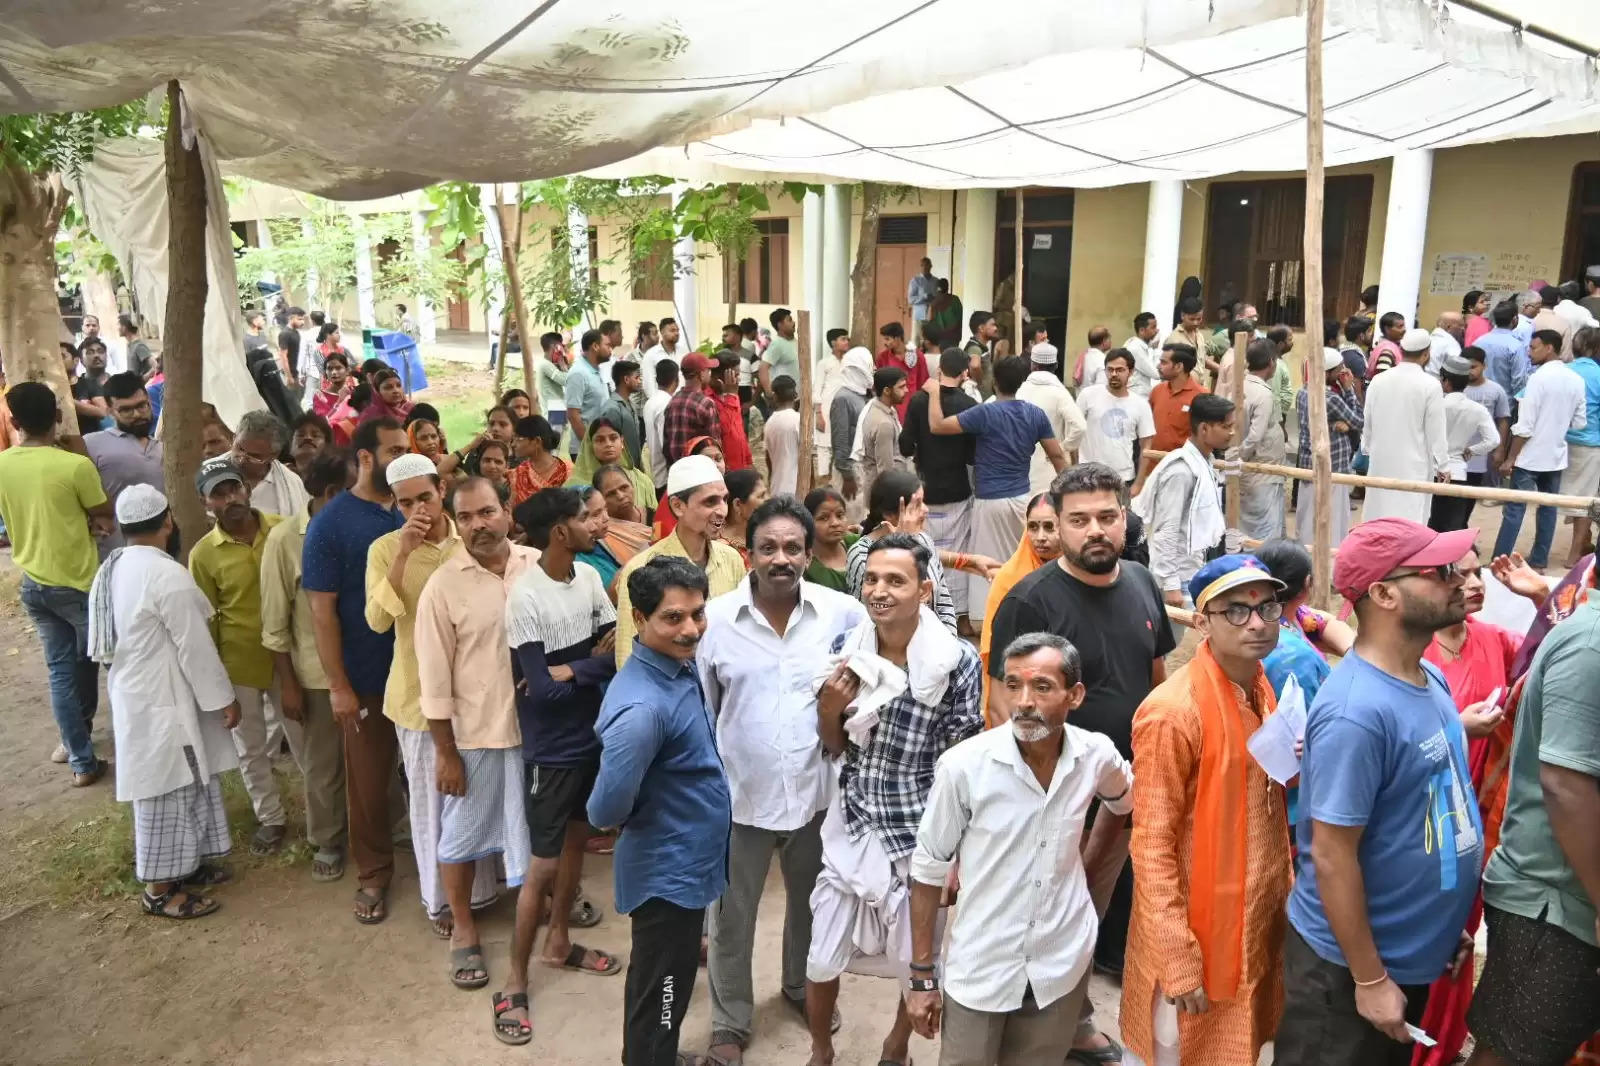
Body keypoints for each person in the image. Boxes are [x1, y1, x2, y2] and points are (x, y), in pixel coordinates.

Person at [1275, 517, 1485, 1066]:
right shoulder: (1356, 714)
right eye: (1440, 571)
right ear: (1385, 593)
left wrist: (1437, 928)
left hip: (1405, 953)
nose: (1459, 578)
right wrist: (1369, 979)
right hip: (1350, 972)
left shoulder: (1428, 678)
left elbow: (1427, 807)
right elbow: (1332, 853)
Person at [983, 463, 1174, 1059]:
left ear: (1124, 518)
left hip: (1129, 787)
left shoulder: (1142, 582)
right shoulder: (1030, 601)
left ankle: (1075, 1018)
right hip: (1059, 793)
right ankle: (1045, 1025)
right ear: (1059, 527)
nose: (1096, 530)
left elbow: (1156, 677)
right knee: (1049, 912)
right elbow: (1002, 706)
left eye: (1107, 517)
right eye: (1079, 519)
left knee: (1100, 905)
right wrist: (1042, 787)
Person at [904, 632, 1133, 1066]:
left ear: (1075, 695)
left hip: (1060, 961)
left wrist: (1086, 867)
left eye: (1042, 687)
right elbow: (928, 869)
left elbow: (1123, 800)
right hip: (983, 964)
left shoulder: (1094, 755)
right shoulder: (965, 767)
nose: (1024, 701)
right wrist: (921, 977)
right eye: (1013, 685)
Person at [697, 497, 867, 1065]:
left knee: (811, 906)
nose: (781, 558)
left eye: (793, 547)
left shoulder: (841, 614)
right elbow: (707, 707)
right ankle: (729, 1022)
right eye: (768, 547)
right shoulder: (716, 621)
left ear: (808, 551)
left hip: (816, 791)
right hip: (739, 797)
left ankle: (800, 988)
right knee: (731, 917)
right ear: (749, 553)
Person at [803, 533, 984, 1066]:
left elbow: (961, 763)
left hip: (920, 831)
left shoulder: (955, 662)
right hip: (855, 820)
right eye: (872, 580)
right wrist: (828, 710)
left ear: (925, 591)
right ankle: (820, 1053)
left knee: (916, 964)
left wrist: (953, 856)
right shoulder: (849, 654)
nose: (879, 591)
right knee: (820, 959)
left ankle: (894, 1047)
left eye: (895, 581)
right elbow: (835, 749)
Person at [1120, 555, 1293, 1066]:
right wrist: (1177, 958)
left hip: (1253, 930)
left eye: (1267, 608)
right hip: (1194, 941)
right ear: (1202, 622)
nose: (1257, 624)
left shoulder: (1258, 685)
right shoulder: (1172, 713)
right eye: (1236, 611)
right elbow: (1150, 844)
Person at [586, 557, 731, 1066]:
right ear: (641, 619)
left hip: (685, 864)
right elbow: (605, 807)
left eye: (697, 613)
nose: (690, 629)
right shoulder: (644, 709)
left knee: (661, 985)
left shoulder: (674, 668)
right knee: (664, 992)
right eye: (673, 618)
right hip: (666, 872)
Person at [1463, 567, 1600, 1066]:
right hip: (1556, 906)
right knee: (1516, 1054)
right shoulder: (1590, 646)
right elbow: (1567, 786)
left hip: (1573, 901)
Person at [88, 485, 242, 918]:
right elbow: (194, 646)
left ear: (121, 528)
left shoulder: (116, 565)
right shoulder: (165, 574)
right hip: (158, 699)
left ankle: (186, 868)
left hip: (144, 693)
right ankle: (159, 891)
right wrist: (224, 699)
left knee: (189, 782)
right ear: (168, 522)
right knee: (164, 791)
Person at [364, 452, 499, 933]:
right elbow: (378, 621)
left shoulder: (472, 538)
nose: (418, 509)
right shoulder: (384, 550)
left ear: (442, 491)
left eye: (425, 496)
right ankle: (442, 903)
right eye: (405, 503)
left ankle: (483, 893)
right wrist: (403, 552)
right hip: (418, 699)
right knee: (432, 801)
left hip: (478, 695)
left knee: (477, 795)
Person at [415, 476, 538, 998]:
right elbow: (434, 678)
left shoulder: (538, 566)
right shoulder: (443, 586)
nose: (477, 525)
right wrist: (445, 752)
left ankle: (548, 904)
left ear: (507, 511)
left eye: (486, 512)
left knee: (544, 825)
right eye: (464, 517)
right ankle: (462, 925)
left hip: (540, 732)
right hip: (477, 734)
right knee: (462, 834)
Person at [502, 487, 622, 1013]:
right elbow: (541, 694)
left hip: (588, 737)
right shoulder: (525, 597)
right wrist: (582, 668)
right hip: (550, 750)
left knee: (575, 846)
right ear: (558, 532)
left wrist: (572, 667)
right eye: (583, 518)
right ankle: (513, 984)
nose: (595, 524)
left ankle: (558, 943)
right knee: (544, 867)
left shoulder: (591, 578)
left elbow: (616, 652)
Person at [302, 417, 412, 924]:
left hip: (422, 675)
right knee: (368, 784)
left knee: (434, 776)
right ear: (365, 458)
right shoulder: (331, 524)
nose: (403, 458)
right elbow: (321, 613)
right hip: (366, 678)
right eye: (393, 451)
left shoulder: (419, 512)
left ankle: (449, 869)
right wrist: (339, 686)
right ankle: (373, 872)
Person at [0, 382, 114, 782]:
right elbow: (104, 516)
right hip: (80, 584)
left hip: (33, 583)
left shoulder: (3, 465)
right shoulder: (74, 465)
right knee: (115, 663)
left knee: (64, 671)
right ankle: (125, 746)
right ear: (60, 416)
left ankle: (79, 756)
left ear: (13, 421)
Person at [187, 456, 296, 854]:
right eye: (219, 494)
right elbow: (207, 621)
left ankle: (329, 815)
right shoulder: (203, 555)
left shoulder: (282, 531)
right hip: (240, 664)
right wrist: (218, 687)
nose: (231, 498)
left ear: (247, 489)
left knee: (305, 740)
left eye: (234, 488)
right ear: (205, 503)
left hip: (290, 658)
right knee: (251, 749)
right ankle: (271, 818)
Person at [260, 449, 351, 883]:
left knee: (377, 756)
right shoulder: (284, 541)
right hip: (315, 675)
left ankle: (390, 825)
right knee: (323, 764)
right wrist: (289, 686)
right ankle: (328, 840)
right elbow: (275, 625)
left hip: (366, 666)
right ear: (333, 493)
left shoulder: (361, 529)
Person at [923, 355, 1065, 627]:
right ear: (1023, 382)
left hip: (989, 502)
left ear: (994, 382)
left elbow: (937, 426)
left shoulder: (985, 412)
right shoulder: (1035, 414)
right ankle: (1026, 617)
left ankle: (987, 621)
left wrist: (933, 393)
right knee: (1021, 560)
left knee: (986, 566)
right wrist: (1069, 496)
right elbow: (1058, 456)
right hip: (1022, 500)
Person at [614, 454, 744, 666]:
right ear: (678, 506)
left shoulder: (732, 559)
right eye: (710, 501)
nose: (722, 510)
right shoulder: (641, 568)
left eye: (725, 500)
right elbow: (627, 657)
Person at [1493, 329, 1587, 570]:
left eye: (1534, 348)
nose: (1529, 352)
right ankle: (1539, 560)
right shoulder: (1575, 379)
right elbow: (1579, 423)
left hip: (1529, 457)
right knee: (1548, 510)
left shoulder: (1538, 379)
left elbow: (1525, 426)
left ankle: (1499, 559)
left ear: (1549, 348)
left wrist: (1510, 458)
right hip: (1556, 456)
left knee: (1514, 509)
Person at [1135, 393, 1234, 617]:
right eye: (1225, 426)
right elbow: (1166, 528)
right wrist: (1170, 584)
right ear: (1204, 429)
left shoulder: (1204, 462)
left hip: (1191, 566)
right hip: (1176, 573)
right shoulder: (1181, 471)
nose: (1231, 432)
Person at [899, 347, 978, 626]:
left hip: (925, 491)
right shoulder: (969, 404)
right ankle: (959, 616)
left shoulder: (919, 401)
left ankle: (927, 613)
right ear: (965, 373)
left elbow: (905, 445)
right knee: (957, 554)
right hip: (957, 489)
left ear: (939, 370)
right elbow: (972, 454)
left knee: (926, 551)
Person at [976, 493, 1060, 712]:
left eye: (1050, 527)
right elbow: (996, 650)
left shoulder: (1077, 573)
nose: (1040, 537)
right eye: (1033, 527)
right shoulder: (1009, 578)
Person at [1361, 328, 1450, 524]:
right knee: (1409, 516)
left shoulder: (1378, 380)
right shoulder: (1430, 385)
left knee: (1379, 513)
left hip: (1381, 460)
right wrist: (1443, 464)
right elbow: (1436, 430)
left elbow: (1368, 420)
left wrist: (1367, 447)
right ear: (1426, 354)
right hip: (1414, 463)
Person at [84, 372, 164, 555]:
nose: (137, 414)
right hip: (113, 555)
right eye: (126, 410)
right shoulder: (90, 444)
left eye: (141, 406)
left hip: (162, 554)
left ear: (149, 402)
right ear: (110, 411)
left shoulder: (165, 448)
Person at [1295, 349, 1363, 547]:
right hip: (1332, 467)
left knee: (1308, 519)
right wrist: (1349, 390)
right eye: (1339, 370)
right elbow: (1359, 420)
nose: (1343, 373)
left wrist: (1345, 423)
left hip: (1309, 464)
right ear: (1327, 373)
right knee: (1333, 522)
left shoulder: (1303, 392)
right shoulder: (1331, 399)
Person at [1430, 355, 1502, 533]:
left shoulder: (1435, 405)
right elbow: (1493, 440)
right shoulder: (1477, 410)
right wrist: (1471, 451)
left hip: (1432, 472)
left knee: (1430, 524)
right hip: (1458, 473)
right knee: (1453, 527)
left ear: (1445, 381)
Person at [1076, 348, 1155, 492]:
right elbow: (1074, 432)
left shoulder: (1141, 405)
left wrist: (1139, 483)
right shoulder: (1088, 395)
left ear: (1130, 372)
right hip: (1087, 475)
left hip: (1122, 477)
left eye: (1119, 370)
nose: (1114, 374)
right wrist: (1075, 469)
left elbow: (1146, 446)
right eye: (1110, 370)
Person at [1017, 342, 1086, 494]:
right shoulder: (1059, 393)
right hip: (1049, 464)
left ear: (1032, 365)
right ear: (1055, 365)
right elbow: (1080, 426)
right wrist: (1063, 447)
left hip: (1018, 464)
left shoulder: (1019, 390)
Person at [1238, 338, 1288, 540]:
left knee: (1248, 523)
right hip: (1261, 468)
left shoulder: (1240, 385)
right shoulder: (1263, 394)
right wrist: (1241, 457)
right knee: (1263, 528)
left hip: (1251, 467)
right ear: (1271, 362)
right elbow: (1255, 436)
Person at [1140, 340, 1206, 484]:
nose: (1158, 366)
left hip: (1183, 474)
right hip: (1152, 471)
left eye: (1164, 362)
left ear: (1179, 367)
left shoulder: (1202, 396)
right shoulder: (1157, 391)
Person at [1562, 327, 1600, 566]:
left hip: (1559, 443)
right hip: (1590, 445)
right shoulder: (1598, 374)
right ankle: (1574, 554)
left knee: (1560, 499)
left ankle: (1582, 542)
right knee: (1586, 501)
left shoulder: (1561, 372)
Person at [230, 409, 311, 519]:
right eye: (240, 449)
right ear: (234, 437)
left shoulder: (294, 485)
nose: (241, 459)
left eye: (254, 456)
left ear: (273, 455)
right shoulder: (206, 472)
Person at [1462, 345, 1513, 502]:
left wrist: (1500, 448)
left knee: (1473, 495)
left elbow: (1503, 420)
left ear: (1484, 365)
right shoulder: (1456, 388)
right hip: (1458, 451)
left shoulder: (1496, 390)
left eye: (1474, 367)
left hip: (1482, 452)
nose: (1470, 371)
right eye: (1465, 367)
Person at [828, 347, 874, 512]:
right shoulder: (843, 399)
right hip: (850, 472)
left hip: (863, 468)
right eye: (869, 365)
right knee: (851, 521)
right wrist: (848, 477)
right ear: (859, 369)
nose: (872, 369)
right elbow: (840, 439)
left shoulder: (863, 394)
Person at [663, 352, 722, 468]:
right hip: (700, 471)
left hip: (678, 471)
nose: (709, 375)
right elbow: (715, 446)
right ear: (700, 374)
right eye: (708, 371)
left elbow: (666, 446)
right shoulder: (706, 404)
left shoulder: (672, 402)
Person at [858, 366, 909, 494]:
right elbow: (886, 472)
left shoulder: (886, 410)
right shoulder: (883, 424)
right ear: (887, 390)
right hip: (885, 495)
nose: (907, 390)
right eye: (901, 387)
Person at [803, 487, 861, 592]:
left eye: (840, 516)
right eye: (824, 518)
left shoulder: (857, 544)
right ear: (808, 523)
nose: (835, 523)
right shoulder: (806, 566)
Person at [563, 328, 611, 454]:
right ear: (595, 346)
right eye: (607, 345)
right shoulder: (578, 373)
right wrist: (589, 445)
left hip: (600, 445)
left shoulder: (598, 370)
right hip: (584, 450)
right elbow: (573, 415)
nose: (610, 349)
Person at [506, 415, 571, 507]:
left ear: (536, 441)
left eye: (518, 438)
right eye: (513, 439)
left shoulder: (567, 471)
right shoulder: (517, 474)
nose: (513, 444)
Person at [1478, 299, 1532, 399]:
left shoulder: (1479, 342)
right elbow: (1519, 380)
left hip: (1480, 399)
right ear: (1515, 319)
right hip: (1505, 403)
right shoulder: (1515, 346)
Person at [709, 352, 753, 471]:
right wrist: (731, 395)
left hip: (741, 466)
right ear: (719, 377)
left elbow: (739, 431)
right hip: (726, 470)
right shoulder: (707, 400)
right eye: (736, 375)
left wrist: (749, 462)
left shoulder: (732, 394)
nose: (739, 379)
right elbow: (726, 429)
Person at [598, 358, 645, 467]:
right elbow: (608, 445)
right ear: (626, 379)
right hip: (619, 469)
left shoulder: (630, 404)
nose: (639, 381)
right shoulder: (612, 409)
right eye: (637, 378)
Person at [875, 322, 927, 419]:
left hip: (913, 408)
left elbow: (922, 382)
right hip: (891, 408)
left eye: (887, 339)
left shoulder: (918, 356)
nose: (885, 343)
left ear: (898, 338)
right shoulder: (882, 357)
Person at [644, 358, 680, 496]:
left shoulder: (651, 402)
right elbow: (666, 444)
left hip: (655, 471)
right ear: (676, 380)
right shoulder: (667, 404)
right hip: (666, 476)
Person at [763, 374, 801, 495]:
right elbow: (806, 456)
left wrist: (770, 479)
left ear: (774, 396)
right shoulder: (799, 420)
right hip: (797, 487)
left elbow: (768, 457)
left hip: (777, 487)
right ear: (795, 395)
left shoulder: (769, 423)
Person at [71, 335, 112, 435]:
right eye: (90, 352)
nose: (96, 355)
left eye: (100, 351)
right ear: (80, 360)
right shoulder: (74, 387)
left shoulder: (119, 383)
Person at [641, 316, 688, 399]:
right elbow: (649, 384)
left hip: (682, 402)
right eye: (672, 330)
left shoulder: (684, 352)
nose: (676, 333)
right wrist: (658, 402)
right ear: (662, 332)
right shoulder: (651, 355)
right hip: (661, 404)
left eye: (677, 330)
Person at [1120, 312, 1163, 397]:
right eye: (1153, 327)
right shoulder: (1136, 348)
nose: (1157, 331)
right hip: (1137, 395)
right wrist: (1156, 349)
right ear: (1142, 330)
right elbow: (1157, 374)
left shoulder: (1138, 345)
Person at [964, 311, 1000, 398]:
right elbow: (975, 366)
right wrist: (979, 384)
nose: (996, 328)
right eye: (992, 325)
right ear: (981, 328)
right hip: (979, 400)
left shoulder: (980, 347)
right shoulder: (975, 348)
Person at [926, 278, 963, 350]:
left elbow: (960, 320)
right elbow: (929, 322)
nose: (941, 296)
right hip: (940, 338)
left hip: (952, 338)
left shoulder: (954, 300)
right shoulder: (934, 303)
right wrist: (932, 306)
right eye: (939, 293)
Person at [1368, 311, 1408, 377]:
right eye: (1400, 326)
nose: (1404, 329)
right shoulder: (1387, 351)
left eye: (1404, 326)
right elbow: (1383, 379)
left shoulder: (1389, 346)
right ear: (1387, 329)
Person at [1074, 326, 1113, 392]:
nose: (1111, 341)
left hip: (1080, 398)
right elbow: (1102, 389)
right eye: (1109, 339)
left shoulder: (1082, 356)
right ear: (1104, 341)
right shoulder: (1103, 360)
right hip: (1095, 400)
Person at [1429, 311, 1465, 375]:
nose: (1463, 329)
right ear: (1448, 327)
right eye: (1461, 325)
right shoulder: (1451, 344)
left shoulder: (1429, 339)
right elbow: (1458, 370)